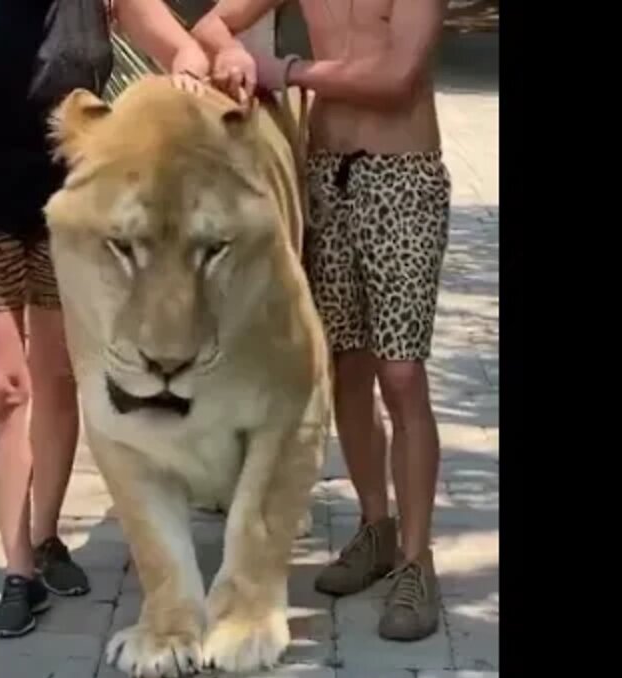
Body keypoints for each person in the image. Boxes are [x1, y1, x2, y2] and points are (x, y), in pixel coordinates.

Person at [0, 0, 211, 638]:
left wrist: (186, 77)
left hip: (74, 207)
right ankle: (18, 569)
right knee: (3, 391)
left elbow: (184, 49)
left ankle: (47, 537)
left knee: (56, 379)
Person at [191, 0, 450, 642]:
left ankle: (418, 563)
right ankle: (376, 529)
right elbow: (209, 23)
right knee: (345, 369)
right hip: (324, 178)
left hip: (403, 178)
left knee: (401, 373)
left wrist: (289, 70)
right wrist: (228, 53)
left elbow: (398, 80)